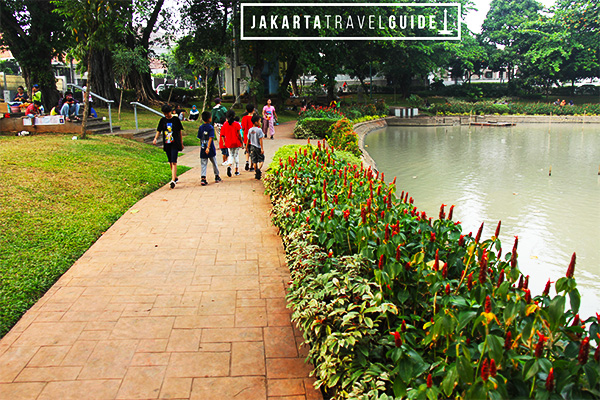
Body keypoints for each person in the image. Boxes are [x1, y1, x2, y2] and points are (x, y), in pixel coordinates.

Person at [153, 104, 184, 189]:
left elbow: (179, 132)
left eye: (167, 113)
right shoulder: (162, 120)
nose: (166, 115)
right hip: (167, 143)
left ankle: (173, 180)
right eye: (164, 113)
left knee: (174, 161)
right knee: (170, 161)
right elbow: (159, 130)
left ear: (171, 111)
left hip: (175, 143)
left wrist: (181, 143)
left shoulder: (176, 120)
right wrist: (155, 138)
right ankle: (175, 176)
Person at [197, 110, 222, 186]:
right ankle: (217, 176)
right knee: (214, 162)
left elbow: (200, 137)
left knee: (203, 163)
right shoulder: (210, 127)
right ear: (209, 119)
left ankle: (203, 178)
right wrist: (208, 147)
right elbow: (211, 138)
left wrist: (203, 146)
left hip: (203, 147)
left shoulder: (201, 127)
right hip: (210, 148)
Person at [221, 109, 243, 177]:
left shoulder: (225, 124)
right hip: (236, 142)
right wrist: (242, 142)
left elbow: (222, 134)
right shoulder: (236, 124)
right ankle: (236, 171)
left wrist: (224, 142)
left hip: (229, 142)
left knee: (231, 155)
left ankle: (229, 166)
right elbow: (239, 134)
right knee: (236, 155)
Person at [246, 114, 265, 180]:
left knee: (254, 160)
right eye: (260, 121)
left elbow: (248, 139)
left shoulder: (250, 130)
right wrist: (262, 148)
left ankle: (256, 171)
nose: (260, 123)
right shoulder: (259, 130)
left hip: (252, 147)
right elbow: (260, 140)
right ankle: (259, 169)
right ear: (256, 122)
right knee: (261, 159)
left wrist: (246, 147)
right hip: (258, 147)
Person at [211, 98, 228, 165]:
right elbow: (226, 113)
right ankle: (225, 145)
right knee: (224, 135)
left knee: (219, 135)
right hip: (223, 124)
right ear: (220, 102)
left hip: (217, 124)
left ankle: (221, 145)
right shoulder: (223, 108)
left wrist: (211, 124)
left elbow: (212, 117)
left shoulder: (213, 109)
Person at [241, 104, 255, 171]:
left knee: (247, 150)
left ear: (246, 110)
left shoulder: (244, 118)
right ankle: (251, 166)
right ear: (253, 110)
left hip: (246, 137)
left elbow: (243, 128)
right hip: (253, 138)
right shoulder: (255, 118)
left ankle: (247, 161)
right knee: (252, 151)